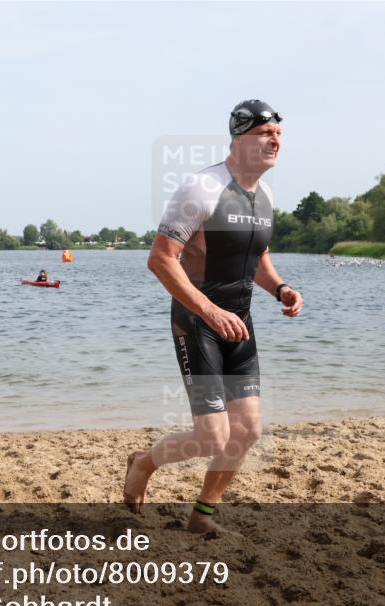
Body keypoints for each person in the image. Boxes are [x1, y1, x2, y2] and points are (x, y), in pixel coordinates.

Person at [124, 100, 302, 534]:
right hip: (196, 321)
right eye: (265, 132)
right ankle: (143, 463)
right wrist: (209, 310)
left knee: (248, 431)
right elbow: (161, 260)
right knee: (212, 438)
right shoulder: (200, 188)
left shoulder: (264, 197)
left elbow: (256, 256)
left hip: (239, 324)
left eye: (278, 133)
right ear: (238, 138)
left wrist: (280, 287)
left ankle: (202, 516)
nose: (275, 139)